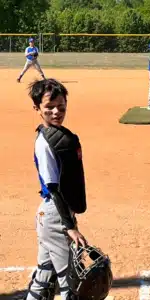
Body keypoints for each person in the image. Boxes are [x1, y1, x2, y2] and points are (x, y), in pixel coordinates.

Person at [25, 78, 87, 300]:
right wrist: (69, 226)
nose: (56, 112)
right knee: (71, 283)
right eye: (49, 107)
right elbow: (53, 187)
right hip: (54, 215)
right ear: (37, 108)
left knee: (45, 276)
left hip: (51, 214)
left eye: (61, 107)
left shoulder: (59, 136)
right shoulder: (45, 143)